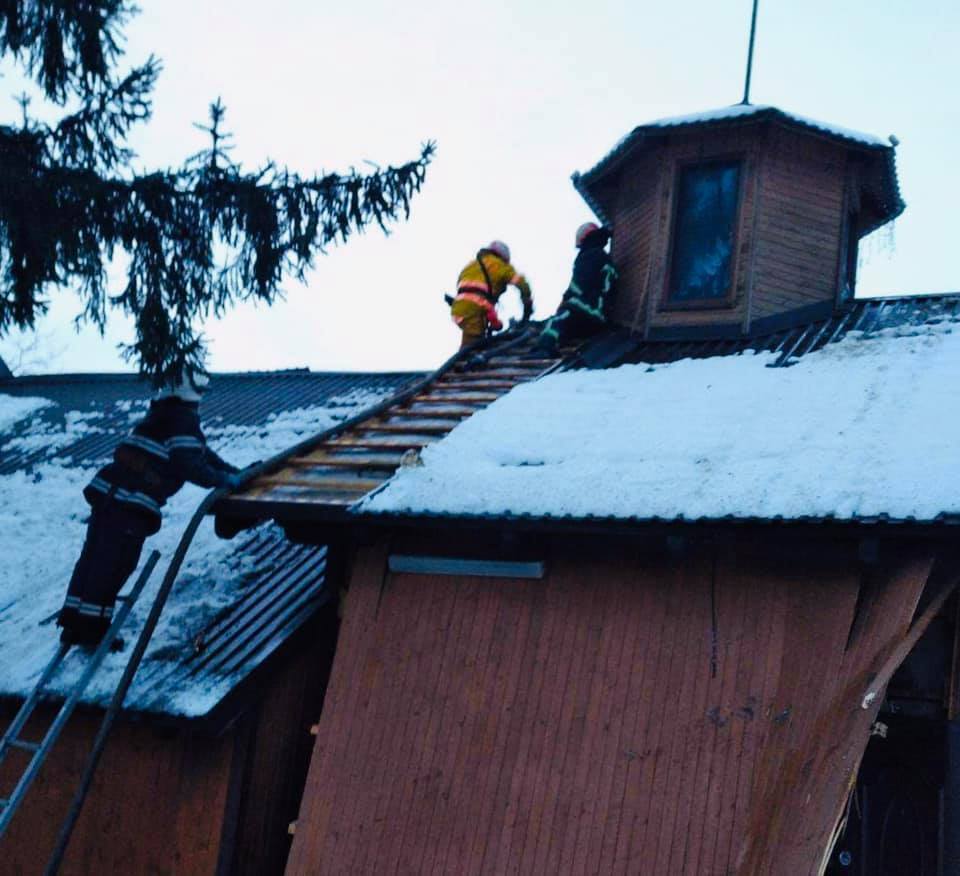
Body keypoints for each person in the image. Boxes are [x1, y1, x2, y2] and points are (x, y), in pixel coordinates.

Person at [57, 370, 243, 647]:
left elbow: (201, 454)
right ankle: (93, 631)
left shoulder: (159, 417)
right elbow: (190, 464)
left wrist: (232, 471)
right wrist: (222, 479)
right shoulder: (182, 420)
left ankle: (73, 623)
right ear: (190, 395)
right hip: (129, 504)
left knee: (93, 559)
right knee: (114, 565)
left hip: (108, 496)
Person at [534, 222, 618, 355]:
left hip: (591, 308)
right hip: (600, 314)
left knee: (559, 318)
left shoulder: (589, 255)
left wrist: (565, 302)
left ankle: (545, 348)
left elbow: (579, 285)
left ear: (585, 238)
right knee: (567, 321)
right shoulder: (604, 257)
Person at [450, 240, 533, 348]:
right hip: (476, 308)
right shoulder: (500, 265)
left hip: (458, 307)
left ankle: (464, 355)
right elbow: (522, 283)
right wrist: (527, 304)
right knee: (475, 345)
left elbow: (465, 288)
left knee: (469, 344)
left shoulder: (471, 265)